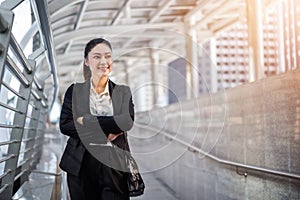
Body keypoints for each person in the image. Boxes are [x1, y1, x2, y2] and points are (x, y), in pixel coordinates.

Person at [59, 38, 134, 200]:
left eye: (108, 56)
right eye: (97, 56)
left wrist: (86, 121)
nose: (104, 61)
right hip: (80, 165)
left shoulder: (123, 92)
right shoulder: (74, 91)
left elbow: (126, 122)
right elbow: (65, 125)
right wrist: (108, 128)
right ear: (86, 61)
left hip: (114, 165)